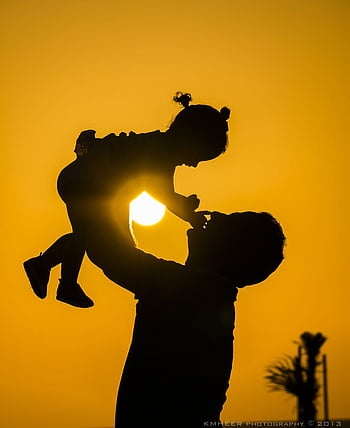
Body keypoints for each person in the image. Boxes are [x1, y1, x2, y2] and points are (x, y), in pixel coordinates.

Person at [23, 92, 231, 308]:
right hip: (90, 183)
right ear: (190, 141)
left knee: (90, 237)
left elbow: (163, 192)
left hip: (84, 180)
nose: (195, 164)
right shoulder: (160, 153)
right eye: (198, 156)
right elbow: (163, 195)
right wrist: (188, 213)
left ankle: (53, 273)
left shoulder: (158, 148)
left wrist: (185, 208)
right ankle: (57, 277)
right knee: (91, 238)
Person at [82, 209, 286, 428]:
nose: (214, 215)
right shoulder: (208, 295)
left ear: (231, 248)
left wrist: (94, 193)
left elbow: (108, 253)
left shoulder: (191, 289)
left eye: (228, 221)